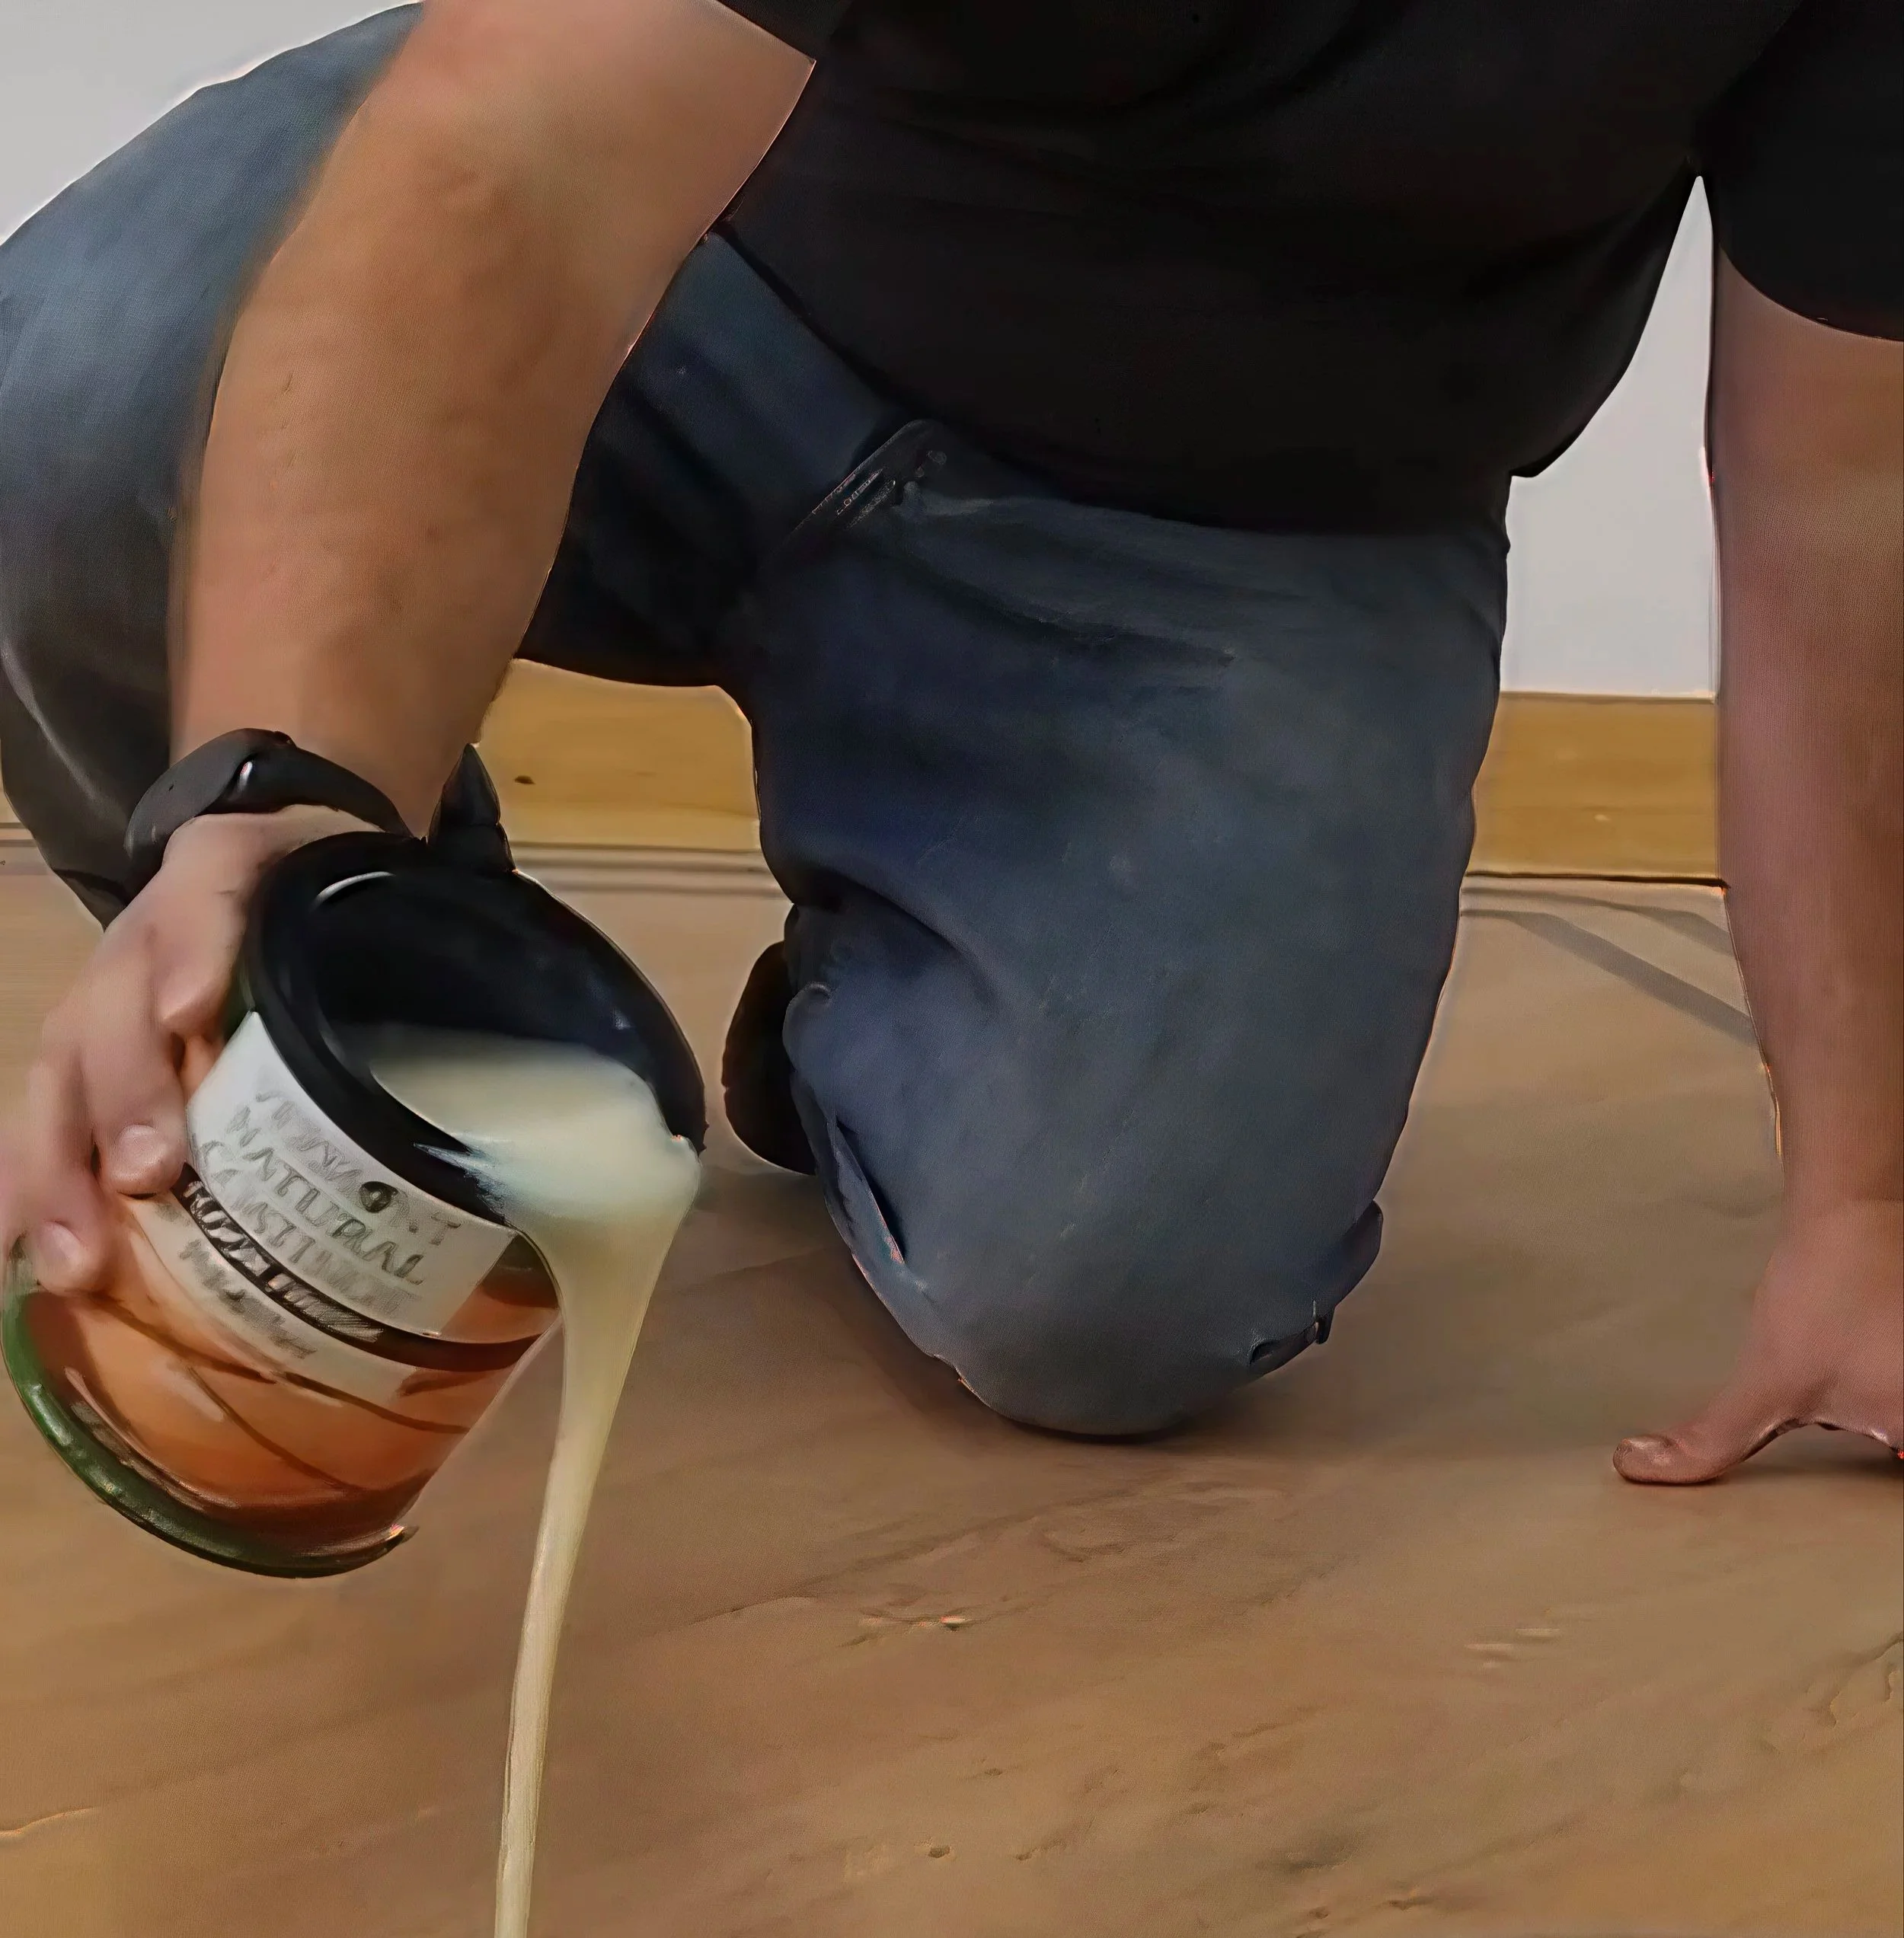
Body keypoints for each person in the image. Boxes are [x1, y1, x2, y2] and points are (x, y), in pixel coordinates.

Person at [0, 0, 1897, 1465]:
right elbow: (532, 158)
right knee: (72, 396)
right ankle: (376, 999)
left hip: (1241, 513)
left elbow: (1843, 502)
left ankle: (867, 1022)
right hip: (705, 243)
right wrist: (281, 793)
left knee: (1112, 1291)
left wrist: (1860, 1201)